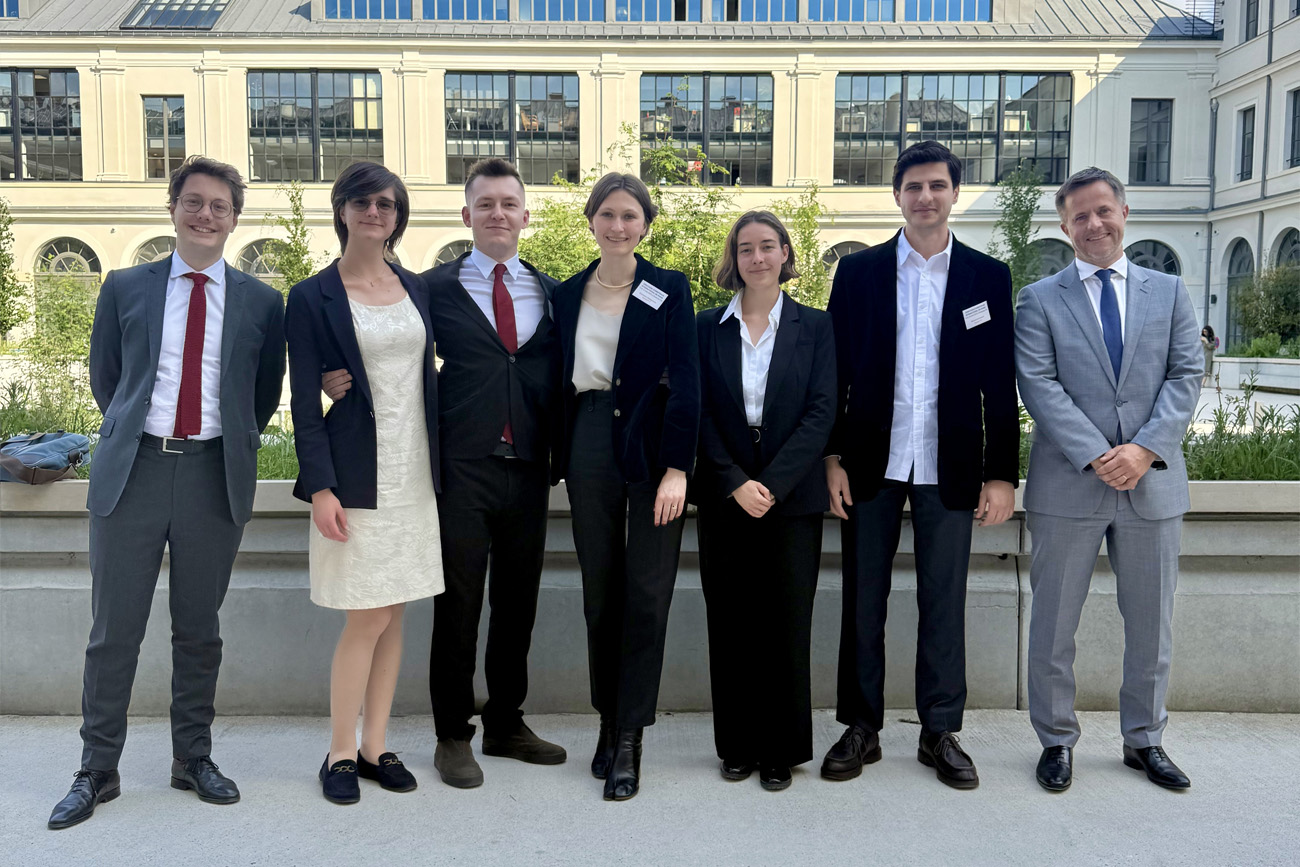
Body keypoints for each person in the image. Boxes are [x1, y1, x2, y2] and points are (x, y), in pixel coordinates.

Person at [49, 156, 286, 830]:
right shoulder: (125, 286)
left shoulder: (263, 302)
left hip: (214, 475)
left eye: (219, 205)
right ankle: (97, 768)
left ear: (235, 218)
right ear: (173, 206)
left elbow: (260, 396)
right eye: (194, 201)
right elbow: (109, 379)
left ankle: (193, 757)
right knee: (113, 630)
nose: (205, 214)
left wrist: (218, 439)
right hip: (136, 471)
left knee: (199, 630)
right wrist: (141, 434)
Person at [325, 157, 566, 788]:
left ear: (525, 215)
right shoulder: (428, 287)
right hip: (460, 466)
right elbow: (383, 339)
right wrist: (335, 376)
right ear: (467, 216)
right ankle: (452, 734)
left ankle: (508, 723)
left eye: (508, 204)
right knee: (457, 604)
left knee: (519, 602)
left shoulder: (550, 291)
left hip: (529, 467)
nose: (497, 214)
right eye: (484, 204)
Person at [821, 140, 1019, 790]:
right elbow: (836, 375)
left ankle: (940, 730)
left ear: (954, 192)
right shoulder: (859, 274)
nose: (926, 196)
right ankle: (861, 726)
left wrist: (1000, 474)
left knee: (944, 600)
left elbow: (1000, 384)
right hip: (872, 462)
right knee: (863, 597)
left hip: (951, 465)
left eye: (937, 185)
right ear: (898, 195)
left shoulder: (988, 278)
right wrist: (831, 457)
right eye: (914, 186)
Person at [1015, 167, 1202, 793]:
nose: (1093, 224)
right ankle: (1056, 740)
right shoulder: (1041, 298)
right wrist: (1100, 454)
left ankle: (1145, 739)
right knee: (1054, 622)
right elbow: (1038, 384)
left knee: (1152, 623)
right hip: (1069, 484)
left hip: (1152, 485)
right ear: (1065, 227)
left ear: (1124, 212)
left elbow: (1185, 376)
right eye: (1079, 217)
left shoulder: (1170, 292)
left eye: (1103, 211)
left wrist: (1145, 450)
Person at [286, 161, 441, 804]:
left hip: (417, 474)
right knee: (365, 615)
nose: (375, 212)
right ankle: (339, 752)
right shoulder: (312, 295)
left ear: (399, 216)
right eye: (362, 202)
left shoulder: (417, 287)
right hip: (356, 477)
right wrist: (320, 487)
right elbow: (301, 401)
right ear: (342, 210)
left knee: (395, 609)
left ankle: (377, 744)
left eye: (387, 203)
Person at [551, 172, 701, 801]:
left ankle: (633, 736)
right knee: (599, 592)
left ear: (645, 225)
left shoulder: (667, 289)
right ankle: (608, 723)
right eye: (607, 214)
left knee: (647, 592)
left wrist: (678, 467)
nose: (618, 226)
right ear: (591, 221)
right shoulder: (564, 295)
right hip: (587, 439)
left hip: (648, 443)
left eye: (630, 216)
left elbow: (688, 381)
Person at [692, 211, 835, 792]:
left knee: (785, 624)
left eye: (767, 247)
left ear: (784, 254)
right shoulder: (706, 326)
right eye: (745, 248)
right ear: (734, 258)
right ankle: (738, 744)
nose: (757, 257)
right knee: (729, 624)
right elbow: (694, 411)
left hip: (791, 498)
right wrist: (732, 480)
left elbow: (822, 411)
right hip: (726, 498)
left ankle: (781, 748)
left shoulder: (816, 327)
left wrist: (772, 483)